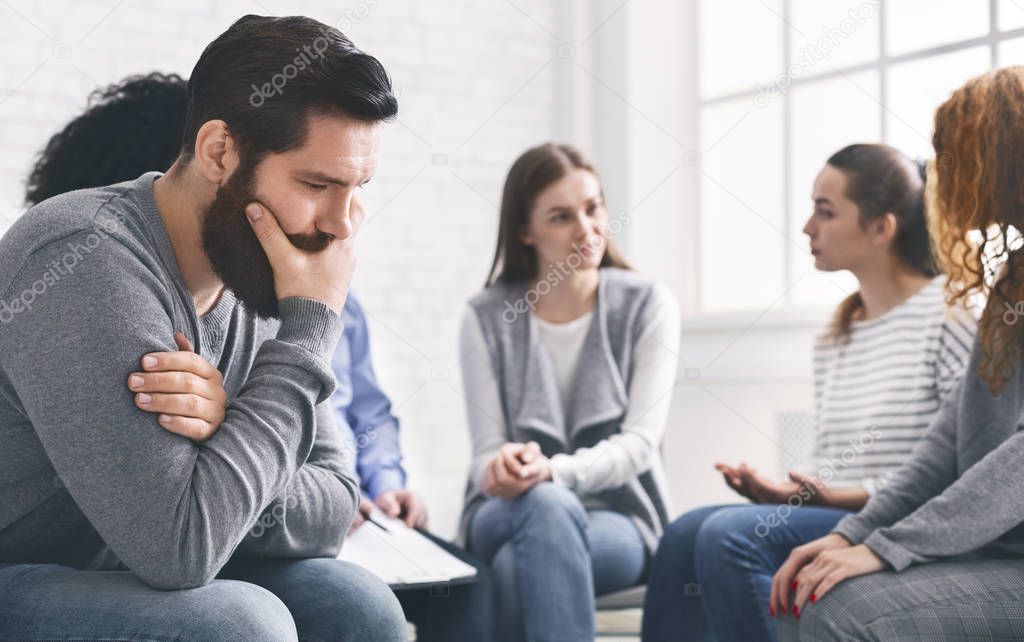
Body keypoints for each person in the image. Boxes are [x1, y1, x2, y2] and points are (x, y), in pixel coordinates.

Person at [0, 15, 408, 641]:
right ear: (220, 152)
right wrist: (307, 335)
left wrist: (227, 432)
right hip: (21, 574)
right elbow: (180, 550)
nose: (340, 225)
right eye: (316, 183)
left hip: (125, 568)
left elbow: (335, 506)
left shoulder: (261, 272)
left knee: (357, 601)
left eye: (358, 189)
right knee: (243, 625)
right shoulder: (87, 256)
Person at [641, 144, 976, 642]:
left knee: (727, 537)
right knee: (683, 532)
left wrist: (837, 495)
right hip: (839, 506)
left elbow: (958, 465)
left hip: (901, 514)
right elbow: (834, 461)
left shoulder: (951, 318)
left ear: (882, 228)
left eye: (825, 211)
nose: (806, 228)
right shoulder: (838, 333)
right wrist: (791, 493)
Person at [773, 65, 1024, 642]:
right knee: (814, 584)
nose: (941, 177)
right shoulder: (1009, 288)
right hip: (997, 551)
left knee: (844, 609)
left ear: (1003, 162)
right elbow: (946, 440)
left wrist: (891, 548)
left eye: (956, 157)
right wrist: (851, 535)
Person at [457, 142, 681, 641]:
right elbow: (484, 452)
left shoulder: (647, 305)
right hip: (505, 508)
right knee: (542, 507)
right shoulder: (486, 316)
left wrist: (554, 472)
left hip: (617, 516)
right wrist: (500, 466)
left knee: (520, 564)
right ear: (525, 231)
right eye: (561, 216)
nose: (586, 228)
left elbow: (640, 445)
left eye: (593, 207)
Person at [332, 292, 494, 641]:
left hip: (365, 516)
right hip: (302, 519)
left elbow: (372, 414)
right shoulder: (240, 302)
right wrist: (327, 496)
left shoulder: (346, 304)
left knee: (468, 586)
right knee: (364, 604)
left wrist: (387, 485)